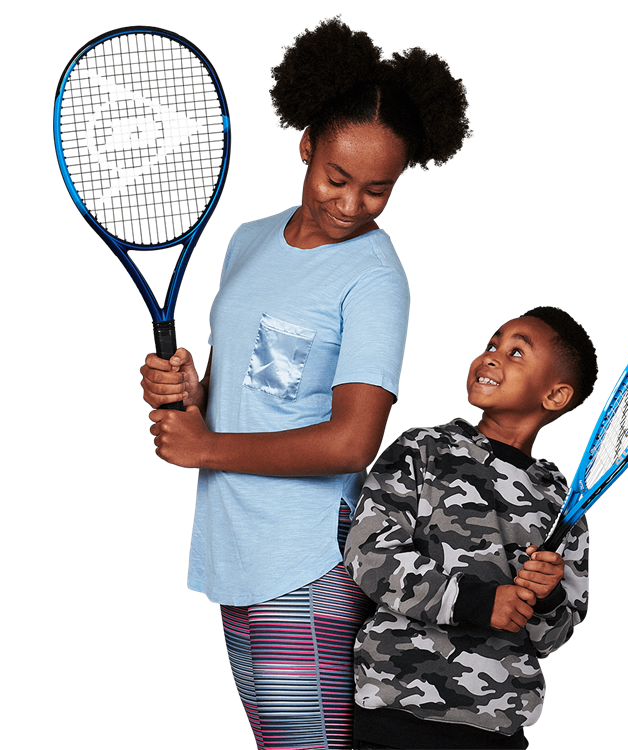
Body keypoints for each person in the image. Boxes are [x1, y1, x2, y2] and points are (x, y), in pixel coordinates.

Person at [138, 15, 470, 750]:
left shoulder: (374, 276)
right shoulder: (252, 240)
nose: (352, 205)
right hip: (232, 551)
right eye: (337, 178)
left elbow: (353, 442)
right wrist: (190, 397)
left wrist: (206, 449)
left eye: (378, 190)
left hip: (306, 564)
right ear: (306, 144)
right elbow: (245, 390)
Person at [343, 306, 597, 750]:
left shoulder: (564, 501)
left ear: (555, 396)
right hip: (397, 715)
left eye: (517, 352)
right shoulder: (422, 449)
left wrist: (549, 594)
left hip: (495, 728)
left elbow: (554, 635)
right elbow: (370, 556)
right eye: (492, 344)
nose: (493, 356)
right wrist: (478, 602)